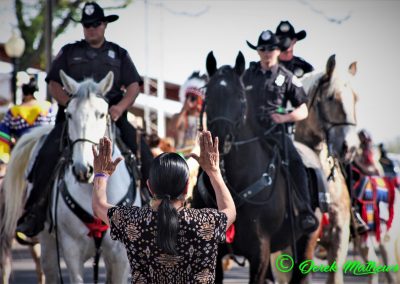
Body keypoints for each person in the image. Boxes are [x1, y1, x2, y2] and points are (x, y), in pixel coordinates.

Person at [16, 1, 153, 238]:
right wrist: (69, 104)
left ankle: (155, 212)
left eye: (96, 24)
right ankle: (34, 212)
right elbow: (53, 83)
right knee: (46, 155)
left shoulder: (119, 54)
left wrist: (120, 107)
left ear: (104, 25)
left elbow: (133, 85)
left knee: (146, 155)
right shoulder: (69, 51)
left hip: (112, 118)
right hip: (73, 121)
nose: (91, 29)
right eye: (87, 25)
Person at [92, 131, 236, 283]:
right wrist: (214, 172)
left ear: (150, 187)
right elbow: (230, 211)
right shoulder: (206, 222)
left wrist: (101, 175)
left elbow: (98, 206)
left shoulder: (132, 221)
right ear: (187, 188)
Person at [243, 30, 318, 233]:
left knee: (295, 161)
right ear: (257, 51)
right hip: (247, 133)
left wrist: (285, 117)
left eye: (270, 49)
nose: (266, 53)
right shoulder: (246, 74)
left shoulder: (287, 77)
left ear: (277, 51)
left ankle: (304, 209)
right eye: (262, 49)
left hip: (275, 132)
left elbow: (303, 109)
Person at [0, 77, 55, 164]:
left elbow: (3, 133)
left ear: (24, 93)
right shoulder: (47, 107)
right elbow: (53, 129)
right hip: (43, 152)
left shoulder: (14, 111)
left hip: (21, 152)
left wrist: (4, 155)